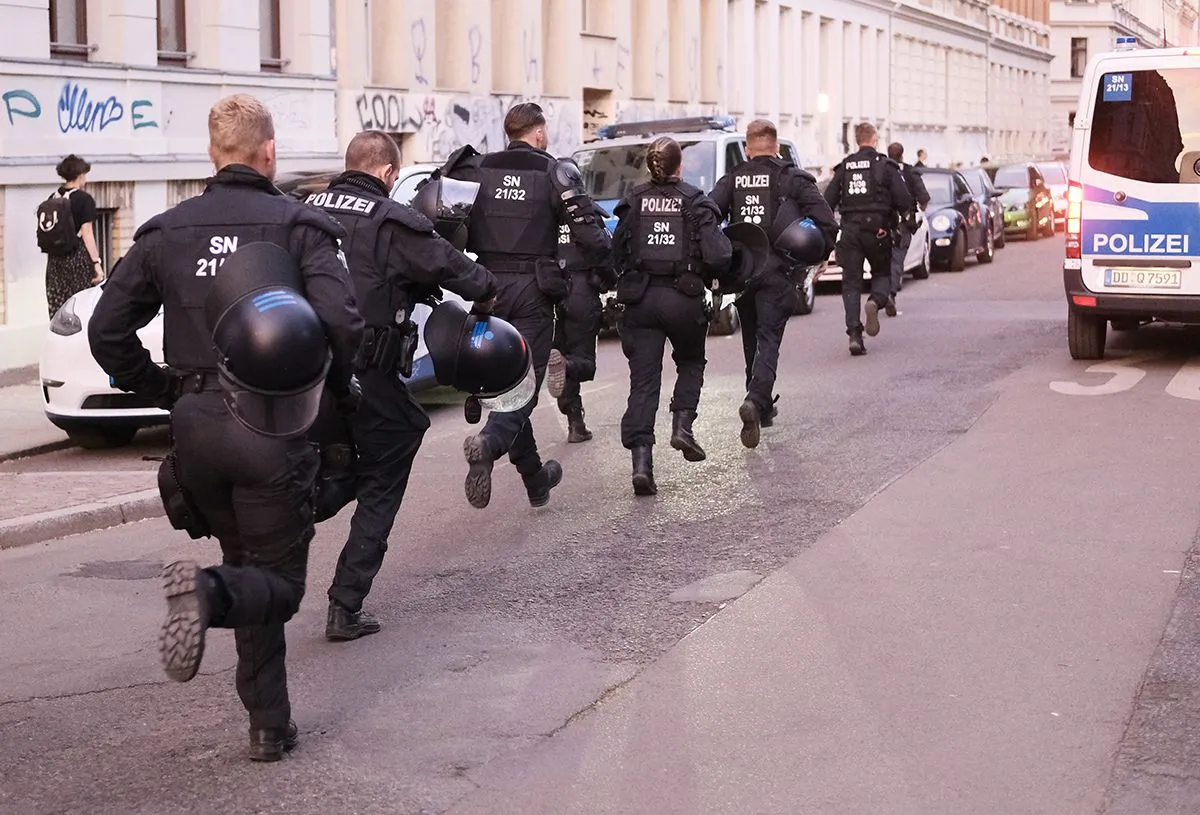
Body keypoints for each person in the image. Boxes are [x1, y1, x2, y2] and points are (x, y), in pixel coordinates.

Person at [87, 94, 364, 762]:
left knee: (247, 561)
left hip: (196, 430)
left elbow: (106, 331)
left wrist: (164, 391)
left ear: (213, 154)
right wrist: (324, 392)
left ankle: (269, 723)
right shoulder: (300, 226)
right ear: (269, 153)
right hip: (268, 424)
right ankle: (207, 596)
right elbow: (345, 325)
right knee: (279, 581)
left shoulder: (163, 232)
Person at [306, 130, 497, 641]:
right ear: (390, 174)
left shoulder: (305, 211)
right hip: (367, 374)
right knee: (395, 449)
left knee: (326, 462)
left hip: (301, 375)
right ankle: (345, 603)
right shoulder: (390, 220)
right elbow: (464, 274)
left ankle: (296, 521)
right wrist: (486, 295)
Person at [443, 102, 611, 509]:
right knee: (524, 389)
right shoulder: (554, 171)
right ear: (538, 133)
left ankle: (537, 480)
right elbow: (591, 236)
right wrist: (609, 265)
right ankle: (490, 443)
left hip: (487, 290)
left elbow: (439, 219)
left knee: (505, 387)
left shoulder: (475, 169)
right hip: (533, 292)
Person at [612, 136, 732, 494]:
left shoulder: (632, 201)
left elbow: (615, 252)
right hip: (684, 298)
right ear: (681, 166)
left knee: (644, 381)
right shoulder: (696, 201)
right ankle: (682, 427)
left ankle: (642, 467)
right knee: (691, 362)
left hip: (641, 300)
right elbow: (719, 256)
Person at [710, 119, 836, 447]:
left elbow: (707, 218)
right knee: (768, 338)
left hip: (742, 271)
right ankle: (755, 399)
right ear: (776, 147)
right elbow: (826, 220)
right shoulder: (791, 177)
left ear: (748, 149)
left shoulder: (733, 179)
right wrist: (822, 252)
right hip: (778, 270)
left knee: (751, 336)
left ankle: (760, 407)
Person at [824, 122, 912, 356]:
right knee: (882, 274)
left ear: (856, 140)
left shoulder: (845, 167)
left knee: (851, 283)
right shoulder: (885, 166)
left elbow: (828, 201)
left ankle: (854, 334)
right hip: (878, 231)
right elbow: (904, 200)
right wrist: (907, 222)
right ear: (874, 140)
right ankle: (875, 301)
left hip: (850, 231)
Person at [546, 202, 616, 443]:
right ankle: (576, 423)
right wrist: (610, 282)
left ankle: (575, 421)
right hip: (581, 290)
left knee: (558, 351)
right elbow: (605, 252)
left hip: (547, 290)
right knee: (582, 360)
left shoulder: (544, 213)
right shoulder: (587, 214)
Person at [41, 154, 102, 318]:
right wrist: (96, 263)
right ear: (80, 175)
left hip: (54, 261)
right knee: (80, 305)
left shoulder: (53, 197)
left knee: (58, 308)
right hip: (77, 259)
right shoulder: (84, 199)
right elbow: (87, 233)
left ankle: (59, 339)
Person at [885, 142, 930, 312]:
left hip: (881, 222)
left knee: (882, 260)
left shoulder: (881, 170)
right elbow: (924, 198)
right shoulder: (910, 172)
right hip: (903, 224)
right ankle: (890, 293)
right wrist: (917, 214)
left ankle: (880, 294)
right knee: (897, 260)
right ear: (902, 154)